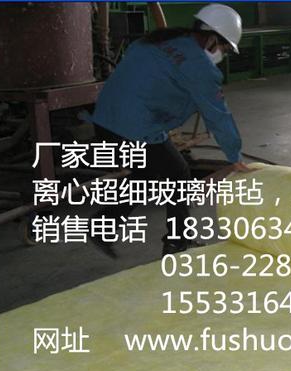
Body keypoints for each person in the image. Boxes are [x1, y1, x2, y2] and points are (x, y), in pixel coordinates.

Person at [89, 3, 252, 258]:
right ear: (212, 39)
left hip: (104, 121)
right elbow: (218, 116)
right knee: (177, 172)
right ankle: (177, 242)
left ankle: (102, 226)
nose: (222, 53)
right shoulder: (200, 65)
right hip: (134, 127)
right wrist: (235, 156)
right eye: (224, 48)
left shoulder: (159, 40)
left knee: (147, 172)